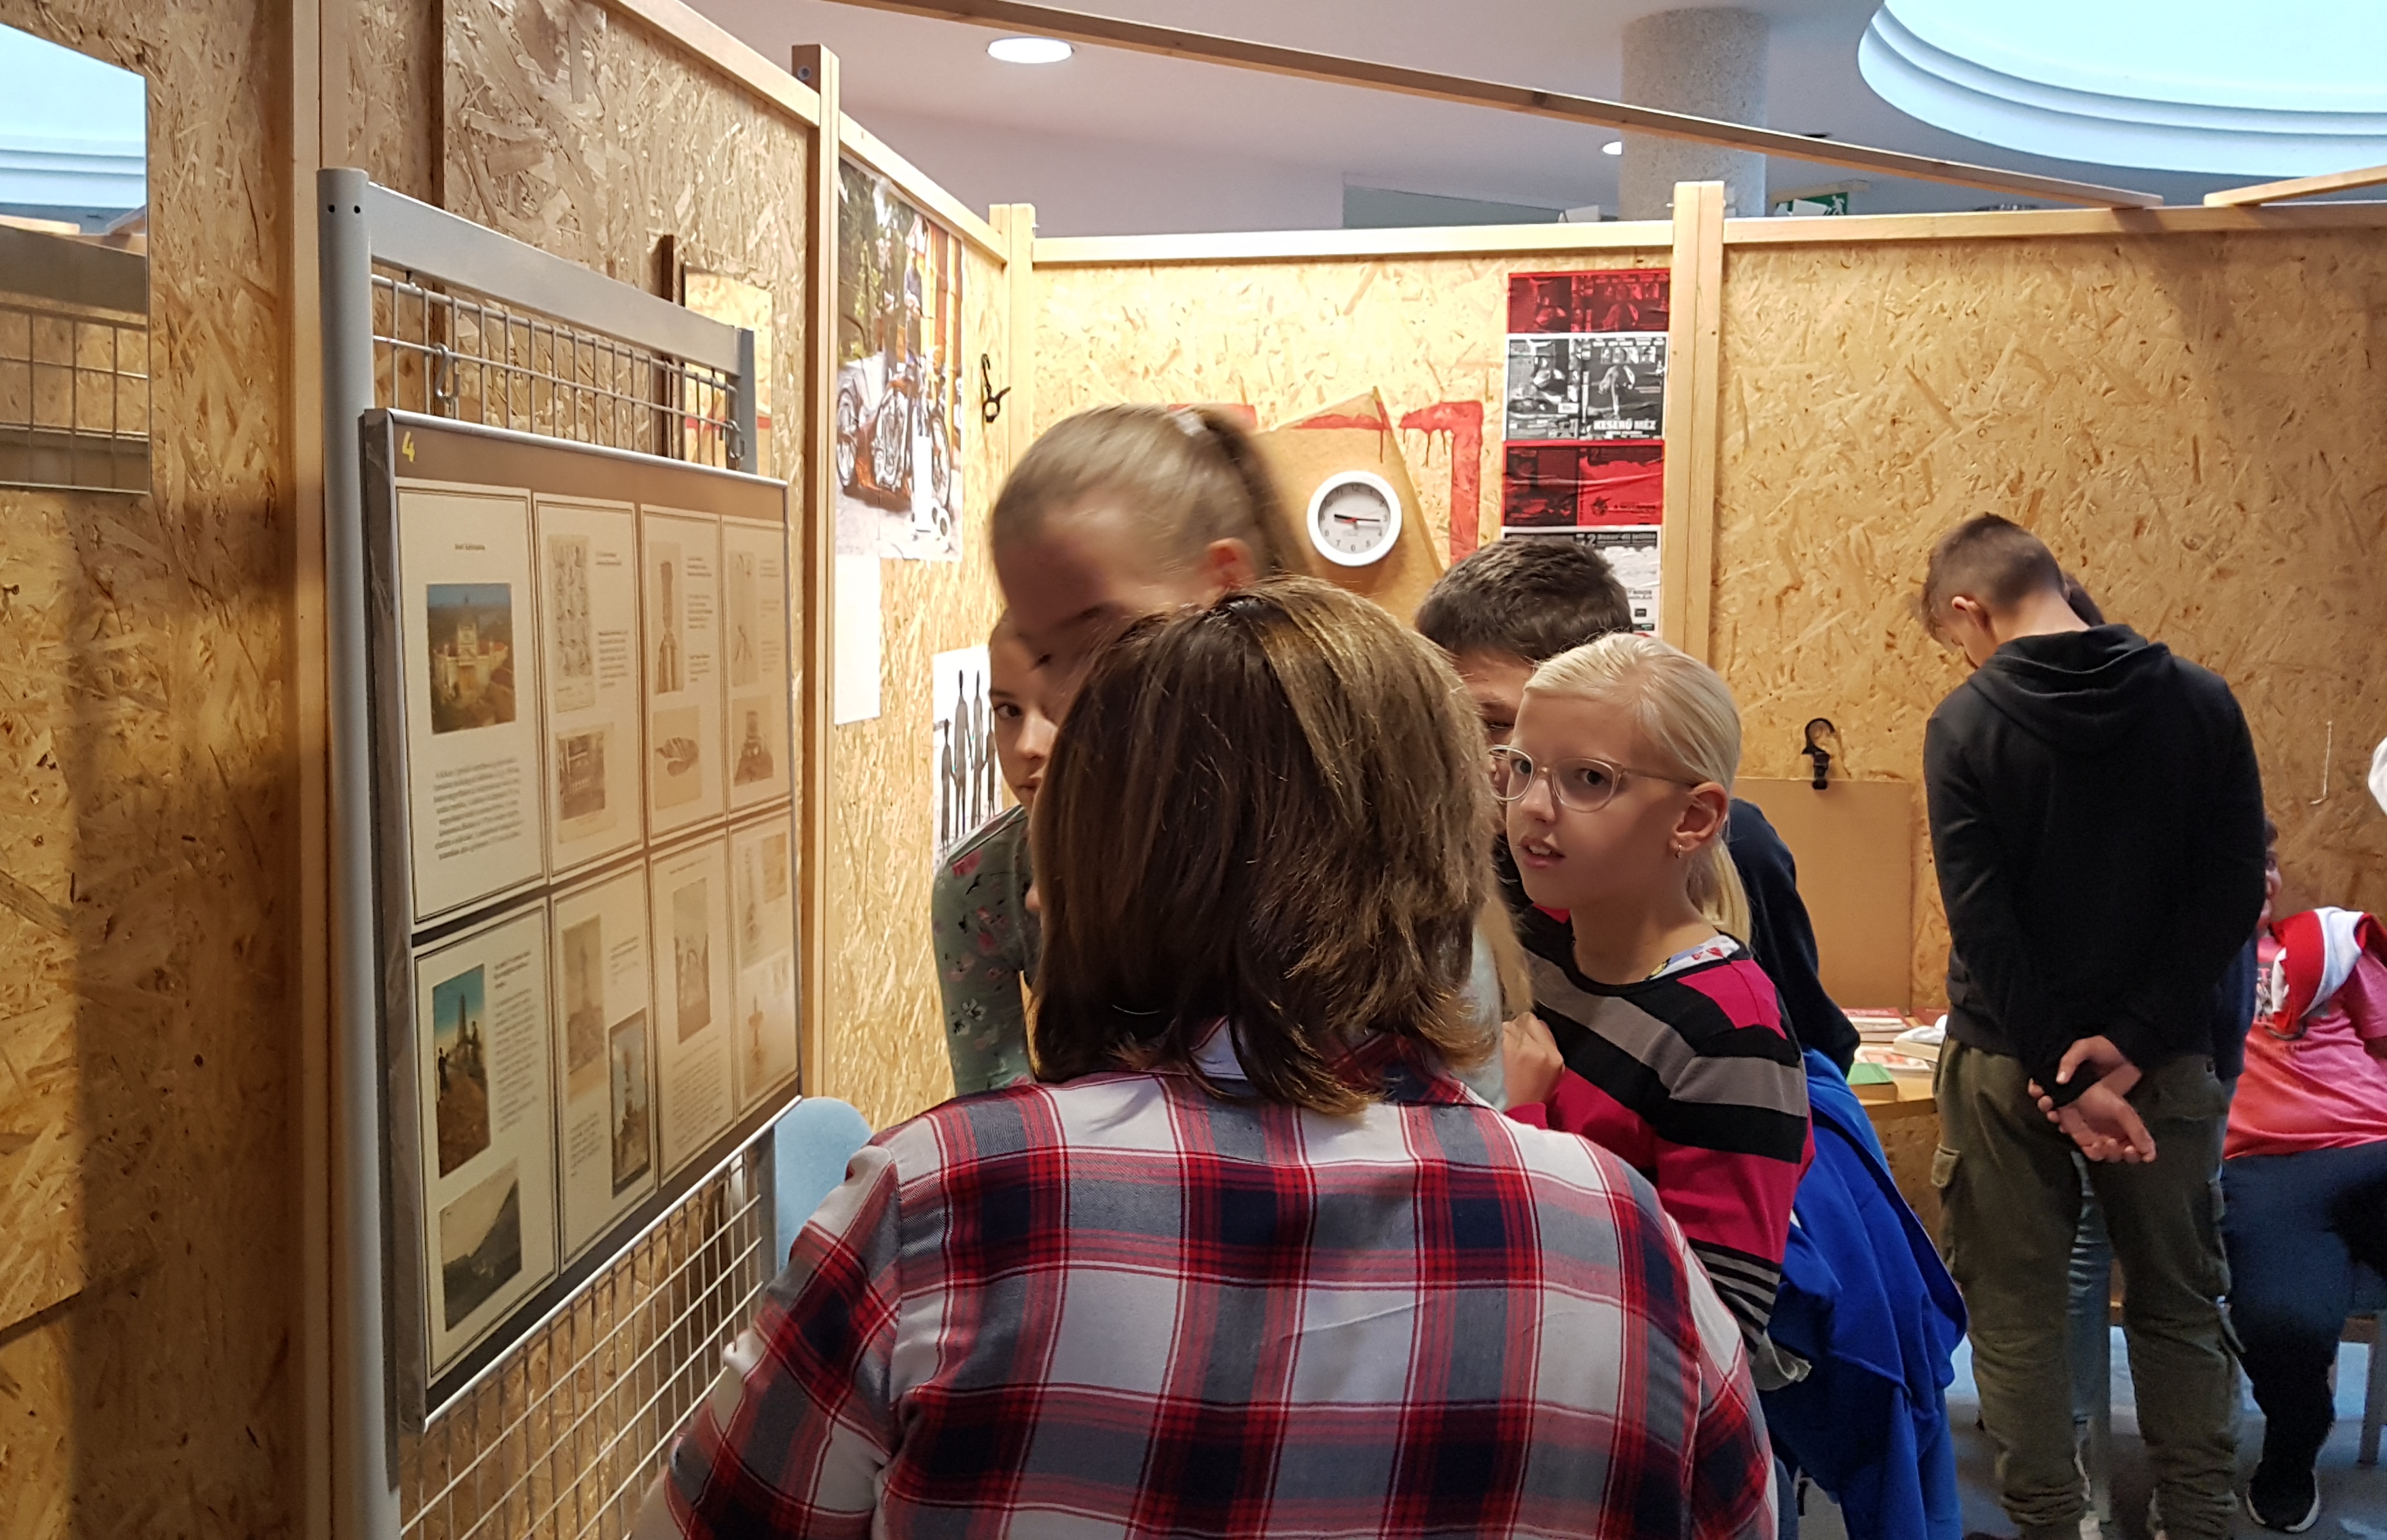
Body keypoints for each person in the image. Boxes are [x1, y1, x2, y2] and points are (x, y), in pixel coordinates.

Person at [643, 580, 1775, 1540]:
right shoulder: (1624, 1248)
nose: (1033, 897)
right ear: (1444, 852)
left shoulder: (939, 1208)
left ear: (1104, 866)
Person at [1916, 515, 2263, 1540]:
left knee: (2016, 1312)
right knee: (2181, 1302)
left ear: (1971, 610)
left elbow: (1983, 920)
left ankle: (2049, 1522)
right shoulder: (2203, 701)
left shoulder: (1963, 725)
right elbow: (2231, 892)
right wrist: (2134, 1042)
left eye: (1958, 638)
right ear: (2059, 582)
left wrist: (2061, 1074)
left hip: (2005, 1060)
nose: (1967, 660)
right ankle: (2198, 1518)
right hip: (2165, 1063)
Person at [930, 405, 1311, 1095]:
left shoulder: (1343, 828)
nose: (1065, 709)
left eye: (1098, 639)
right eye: (1044, 655)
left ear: (1226, 583)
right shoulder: (993, 879)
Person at [1415, 538, 1861, 1074]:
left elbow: (1806, 1060)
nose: (1459, 756)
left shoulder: (1735, 849)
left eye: (1493, 724)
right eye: (1440, 719)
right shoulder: (1429, 850)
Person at [1491, 629, 1810, 1352]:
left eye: (1589, 780)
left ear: (1693, 819)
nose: (1534, 806)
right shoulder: (1536, 943)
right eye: (1523, 767)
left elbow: (1718, 1328)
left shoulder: (1732, 1037)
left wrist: (1521, 1126)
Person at [2219, 826, 2387, 1531]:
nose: (2264, 879)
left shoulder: (2328, 946)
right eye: (2242, 864)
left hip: (2376, 1147)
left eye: (2269, 865)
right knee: (2282, 1326)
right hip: (2266, 1168)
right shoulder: (2175, 972)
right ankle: (2293, 1449)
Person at [929, 618, 1054, 1095]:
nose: (1027, 746)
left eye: (1063, 709)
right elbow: (995, 1105)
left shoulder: (1210, 852)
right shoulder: (979, 879)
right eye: (1008, 711)